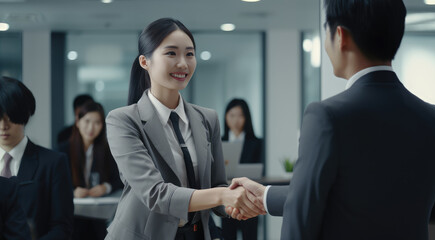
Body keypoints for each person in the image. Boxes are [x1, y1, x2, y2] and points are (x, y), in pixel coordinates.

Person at [229, 0, 435, 239]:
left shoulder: (326, 116)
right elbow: (424, 206)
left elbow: (301, 221)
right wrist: (266, 195)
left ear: (340, 36)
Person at [105, 18, 264, 240]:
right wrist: (222, 196)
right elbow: (155, 194)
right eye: (171, 53)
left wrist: (238, 203)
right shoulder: (122, 120)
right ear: (144, 61)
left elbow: (216, 185)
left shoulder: (208, 118)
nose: (183, 63)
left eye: (189, 54)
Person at [0, 76, 74, 239]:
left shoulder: (53, 163)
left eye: (10, 117)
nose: (3, 126)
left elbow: (62, 227)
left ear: (25, 114)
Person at [57, 101, 122, 240]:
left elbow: (119, 180)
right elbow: (54, 183)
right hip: (71, 219)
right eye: (87, 121)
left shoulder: (107, 151)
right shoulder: (62, 151)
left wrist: (106, 187)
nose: (91, 128)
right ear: (77, 121)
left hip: (97, 219)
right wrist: (72, 192)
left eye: (97, 122)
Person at [221, 99, 262, 240]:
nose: (236, 120)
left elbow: (258, 169)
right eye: (231, 115)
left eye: (240, 115)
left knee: (250, 236)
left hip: (250, 198)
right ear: (225, 117)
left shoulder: (256, 143)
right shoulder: (219, 142)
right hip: (227, 198)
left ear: (246, 118)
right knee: (227, 235)